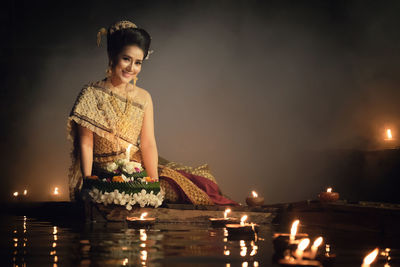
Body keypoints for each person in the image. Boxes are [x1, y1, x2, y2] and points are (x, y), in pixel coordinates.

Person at [67, 20, 237, 206]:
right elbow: (86, 143)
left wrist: (154, 184)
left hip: (137, 168)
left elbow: (148, 143)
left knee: (196, 184)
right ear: (112, 55)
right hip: (103, 173)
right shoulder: (91, 93)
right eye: (126, 59)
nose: (132, 68)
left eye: (138, 62)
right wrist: (88, 180)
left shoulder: (144, 97)